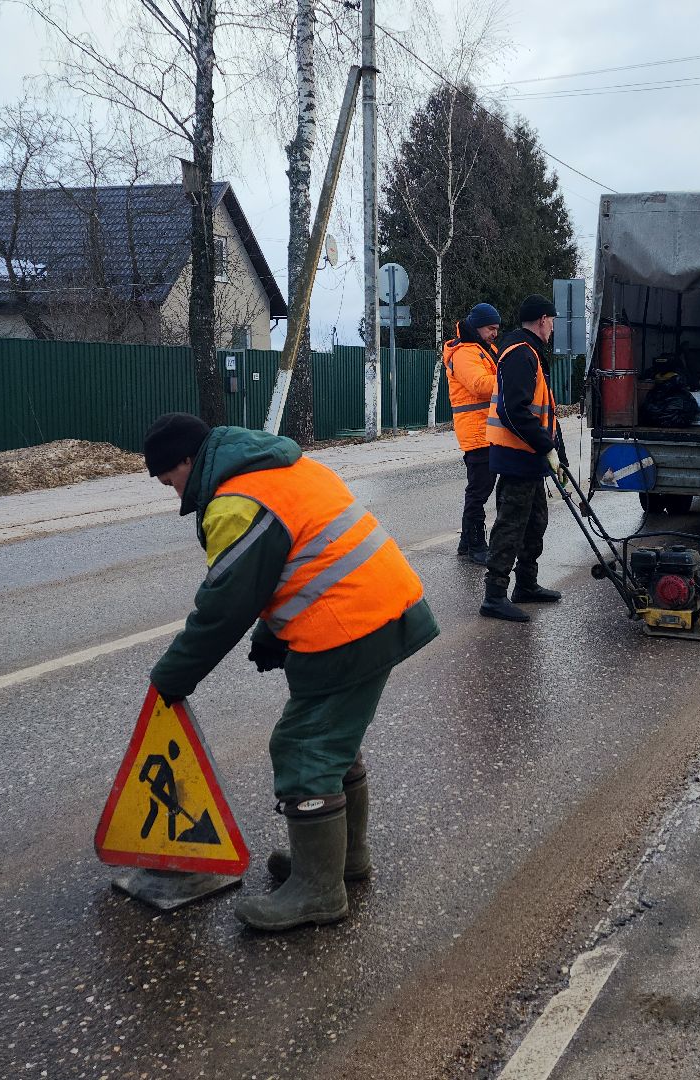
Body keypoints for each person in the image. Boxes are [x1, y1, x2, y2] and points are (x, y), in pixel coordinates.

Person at [141, 411, 439, 931]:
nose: (175, 494)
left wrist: (172, 676)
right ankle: (341, 860)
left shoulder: (236, 502)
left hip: (350, 627)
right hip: (381, 608)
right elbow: (298, 559)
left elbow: (223, 608)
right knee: (333, 740)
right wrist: (271, 632)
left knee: (305, 747)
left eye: (171, 481)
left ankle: (318, 890)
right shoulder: (282, 467)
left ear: (188, 460)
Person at [480, 294, 569, 622]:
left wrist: (557, 453)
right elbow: (512, 410)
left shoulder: (531, 351)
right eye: (552, 321)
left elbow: (545, 411)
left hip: (530, 456)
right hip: (516, 456)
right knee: (511, 525)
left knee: (535, 522)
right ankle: (494, 596)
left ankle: (526, 584)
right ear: (543, 320)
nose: (553, 327)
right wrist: (546, 447)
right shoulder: (520, 354)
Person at [443, 302, 503, 564]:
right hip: (477, 432)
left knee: (480, 488)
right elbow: (479, 385)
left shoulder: (484, 349)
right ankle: (477, 545)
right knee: (479, 491)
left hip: (487, 429)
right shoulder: (465, 353)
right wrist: (511, 379)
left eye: (496, 329)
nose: (494, 334)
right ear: (477, 327)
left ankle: (467, 543)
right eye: (490, 328)